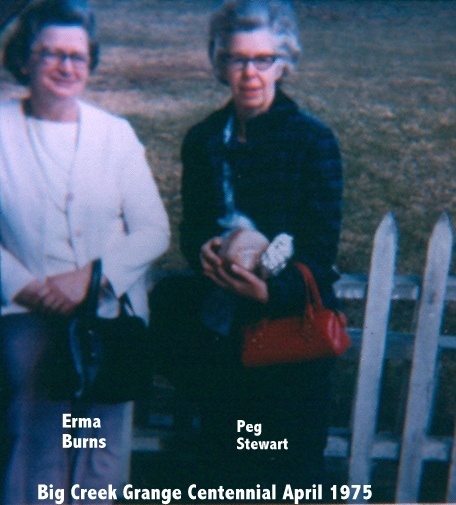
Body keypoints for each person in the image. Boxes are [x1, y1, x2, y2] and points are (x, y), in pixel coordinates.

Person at [150, 0, 343, 494]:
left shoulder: (313, 142)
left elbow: (320, 248)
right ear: (220, 64)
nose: (250, 73)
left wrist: (269, 293)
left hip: (287, 341)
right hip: (221, 336)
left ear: (284, 63)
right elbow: (194, 228)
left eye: (263, 59)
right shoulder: (202, 140)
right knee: (226, 466)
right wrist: (203, 251)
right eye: (237, 59)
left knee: (285, 474)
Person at [0, 0, 170, 503]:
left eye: (77, 55)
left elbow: (153, 230)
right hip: (26, 314)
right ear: (24, 59)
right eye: (50, 53)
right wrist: (24, 287)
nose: (65, 66)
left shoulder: (115, 134)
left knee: (97, 450)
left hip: (105, 320)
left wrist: (91, 279)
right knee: (37, 446)